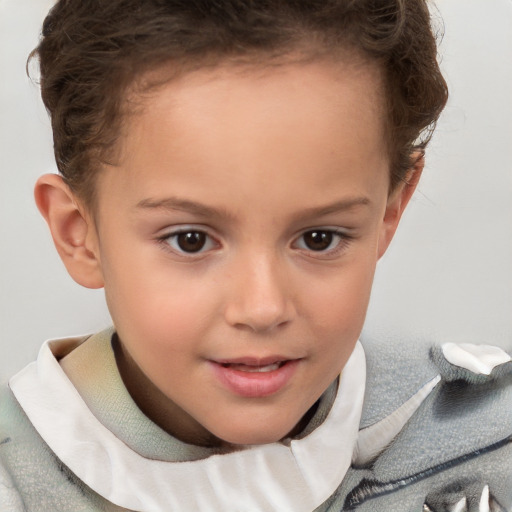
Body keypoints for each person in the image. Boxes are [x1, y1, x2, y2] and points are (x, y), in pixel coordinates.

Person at [0, 0, 510, 510]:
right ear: (78, 233)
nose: (263, 308)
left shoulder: (488, 437)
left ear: (390, 209)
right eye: (191, 240)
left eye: (319, 238)